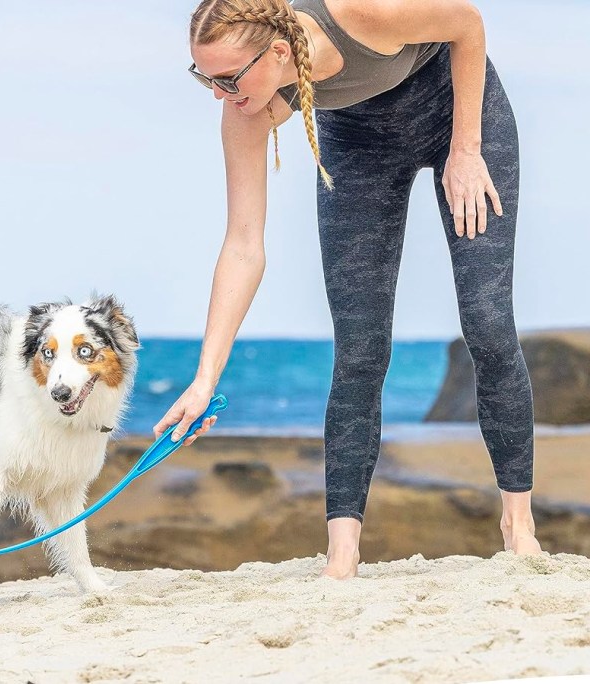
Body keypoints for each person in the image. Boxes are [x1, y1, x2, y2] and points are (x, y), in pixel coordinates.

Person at [154, 0, 543, 579]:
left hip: (456, 113)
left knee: (486, 321)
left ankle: (519, 526)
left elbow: (467, 24)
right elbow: (242, 245)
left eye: (227, 77)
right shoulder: (246, 111)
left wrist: (465, 151)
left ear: (279, 52)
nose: (216, 93)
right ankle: (342, 556)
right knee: (360, 351)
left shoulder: (361, 13)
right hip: (357, 146)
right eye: (203, 77)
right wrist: (204, 380)